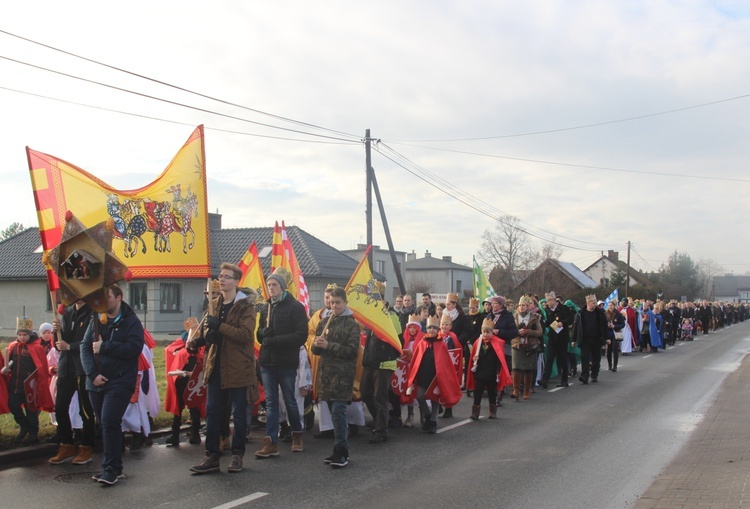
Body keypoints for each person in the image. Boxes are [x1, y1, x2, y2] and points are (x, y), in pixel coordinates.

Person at [190, 263, 258, 474]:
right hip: (215, 365)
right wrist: (199, 340)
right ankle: (211, 455)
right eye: (220, 276)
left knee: (238, 414)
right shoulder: (215, 304)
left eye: (227, 277)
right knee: (212, 412)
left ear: (236, 281)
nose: (222, 279)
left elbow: (245, 335)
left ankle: (237, 454)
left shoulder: (245, 306)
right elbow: (210, 333)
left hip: (238, 366)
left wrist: (219, 327)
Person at [81, 284, 144, 485]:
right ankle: (115, 467)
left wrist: (105, 347)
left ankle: (110, 468)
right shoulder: (96, 320)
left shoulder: (130, 321)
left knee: (109, 420)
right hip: (97, 381)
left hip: (120, 380)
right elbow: (85, 347)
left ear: (118, 298)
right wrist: (92, 374)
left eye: (107, 297)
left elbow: (134, 348)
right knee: (106, 424)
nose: (103, 301)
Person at [255, 271, 309, 459]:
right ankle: (271, 441)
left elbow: (301, 335)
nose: (271, 288)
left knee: (289, 400)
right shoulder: (265, 308)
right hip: (267, 362)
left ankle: (297, 434)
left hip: (286, 362)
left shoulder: (295, 307)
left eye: (274, 285)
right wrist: (263, 333)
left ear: (282, 287)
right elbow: (259, 335)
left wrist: (275, 340)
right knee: (271, 403)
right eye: (269, 285)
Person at [311, 287, 360, 468]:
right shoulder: (324, 322)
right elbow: (316, 350)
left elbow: (352, 351)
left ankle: (342, 451)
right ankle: (337, 448)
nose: (334, 306)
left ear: (345, 303)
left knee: (339, 413)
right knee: (333, 413)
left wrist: (329, 345)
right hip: (327, 376)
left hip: (342, 376)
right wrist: (316, 344)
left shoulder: (352, 324)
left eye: (338, 303)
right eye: (332, 302)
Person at [49, 301, 95, 465]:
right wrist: (57, 332)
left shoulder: (92, 313)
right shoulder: (68, 312)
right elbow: (59, 344)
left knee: (86, 410)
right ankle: (66, 444)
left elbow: (90, 342)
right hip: (66, 367)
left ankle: (86, 446)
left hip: (81, 368)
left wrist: (70, 346)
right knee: (60, 407)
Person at [2, 317, 54, 445]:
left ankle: (33, 433)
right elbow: (10, 363)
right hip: (15, 384)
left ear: (29, 334)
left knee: (31, 410)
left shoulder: (37, 348)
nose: (22, 337)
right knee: (13, 405)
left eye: (24, 334)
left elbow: (41, 367)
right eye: (19, 334)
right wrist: (7, 369)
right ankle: (23, 425)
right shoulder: (13, 346)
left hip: (30, 387)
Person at [406, 316, 461, 434]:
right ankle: (427, 414)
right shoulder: (422, 343)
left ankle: (433, 421)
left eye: (434, 328)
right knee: (420, 396)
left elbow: (445, 363)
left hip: (435, 377)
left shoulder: (441, 344)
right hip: (423, 376)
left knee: (435, 399)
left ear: (437, 330)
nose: (431, 330)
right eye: (430, 328)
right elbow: (416, 360)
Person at [360, 322, 401, 443]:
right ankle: (381, 420)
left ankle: (381, 431)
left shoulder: (388, 323)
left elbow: (398, 345)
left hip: (383, 366)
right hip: (369, 365)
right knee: (365, 394)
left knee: (380, 398)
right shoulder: (370, 324)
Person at [466, 318, 512, 419]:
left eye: (488, 332)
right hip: (480, 372)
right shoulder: (478, 342)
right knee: (478, 392)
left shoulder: (497, 342)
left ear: (492, 332)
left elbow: (500, 359)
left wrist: (498, 372)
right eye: (484, 331)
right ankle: (475, 411)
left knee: (492, 392)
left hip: (492, 372)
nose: (486, 334)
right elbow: (473, 357)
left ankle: (492, 411)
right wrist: (475, 358)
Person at [487, 295, 518, 404]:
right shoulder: (489, 316)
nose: (493, 306)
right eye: (492, 304)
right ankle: (493, 394)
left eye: (495, 304)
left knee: (500, 372)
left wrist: (499, 332)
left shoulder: (508, 316)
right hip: (490, 347)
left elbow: (514, 332)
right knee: (491, 371)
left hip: (503, 347)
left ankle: (498, 396)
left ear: (501, 305)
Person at [538, 291, 574, 389]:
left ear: (553, 300)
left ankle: (564, 379)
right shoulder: (549, 311)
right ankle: (545, 379)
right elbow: (549, 322)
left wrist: (562, 322)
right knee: (549, 359)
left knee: (562, 359)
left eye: (549, 301)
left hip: (562, 338)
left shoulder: (564, 308)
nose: (547, 303)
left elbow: (570, 319)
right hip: (553, 338)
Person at [510, 296, 543, 401]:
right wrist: (517, 332)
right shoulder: (513, 316)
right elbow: (509, 330)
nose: (521, 307)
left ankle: (527, 390)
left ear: (528, 306)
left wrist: (528, 332)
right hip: (517, 344)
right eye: (519, 305)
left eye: (523, 305)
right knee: (516, 368)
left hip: (530, 346)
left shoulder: (534, 317)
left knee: (529, 369)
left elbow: (540, 332)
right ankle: (516, 390)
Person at [572, 295, 609, 384]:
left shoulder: (600, 313)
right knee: (584, 358)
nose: (595, 305)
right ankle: (584, 376)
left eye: (595, 303)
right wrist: (573, 339)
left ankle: (594, 374)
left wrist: (607, 338)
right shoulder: (581, 313)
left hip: (597, 339)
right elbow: (576, 327)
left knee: (596, 358)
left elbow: (605, 326)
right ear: (588, 303)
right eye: (593, 303)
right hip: (585, 339)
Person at [605, 301, 626, 372]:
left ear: (614, 306)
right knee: (608, 350)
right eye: (609, 305)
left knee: (615, 349)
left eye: (611, 305)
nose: (610, 307)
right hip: (608, 333)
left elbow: (622, 324)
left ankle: (615, 366)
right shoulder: (606, 314)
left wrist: (615, 326)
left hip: (615, 334)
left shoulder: (618, 314)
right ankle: (609, 365)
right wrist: (607, 326)